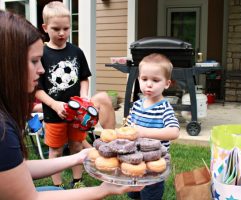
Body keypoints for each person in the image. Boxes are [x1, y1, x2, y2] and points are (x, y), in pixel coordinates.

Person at [0, 9, 143, 199]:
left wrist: (80, 156)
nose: (42, 69)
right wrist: (104, 190)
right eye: (34, 61)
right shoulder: (2, 130)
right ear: (7, 63)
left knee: (58, 189)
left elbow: (18, 167)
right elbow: (29, 197)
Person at [35, 1, 115, 188]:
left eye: (66, 28)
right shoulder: (41, 55)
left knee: (77, 146)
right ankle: (56, 186)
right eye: (56, 29)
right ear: (45, 28)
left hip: (78, 114)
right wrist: (54, 104)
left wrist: (84, 96)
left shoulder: (76, 52)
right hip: (54, 115)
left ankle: (77, 181)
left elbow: (84, 78)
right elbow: (37, 89)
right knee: (55, 150)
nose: (62, 33)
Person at [126, 53, 180, 200]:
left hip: (154, 162)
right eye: (144, 79)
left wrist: (144, 132)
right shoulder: (137, 105)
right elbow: (130, 128)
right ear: (138, 80)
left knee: (150, 194)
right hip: (136, 159)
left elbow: (174, 132)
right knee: (134, 192)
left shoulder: (164, 108)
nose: (148, 84)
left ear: (167, 84)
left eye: (155, 80)